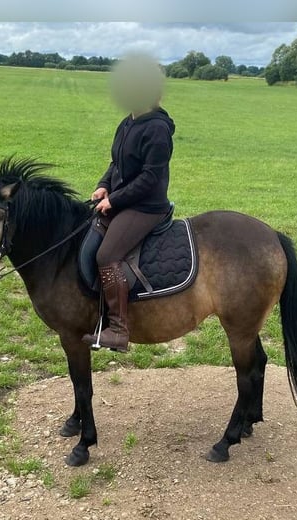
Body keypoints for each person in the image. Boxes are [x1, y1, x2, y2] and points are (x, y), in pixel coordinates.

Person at [82, 54, 176, 352]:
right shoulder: (128, 122)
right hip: (124, 200)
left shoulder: (158, 130)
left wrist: (115, 200)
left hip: (147, 206)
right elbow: (117, 164)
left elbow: (150, 178)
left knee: (106, 254)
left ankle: (119, 331)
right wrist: (103, 185)